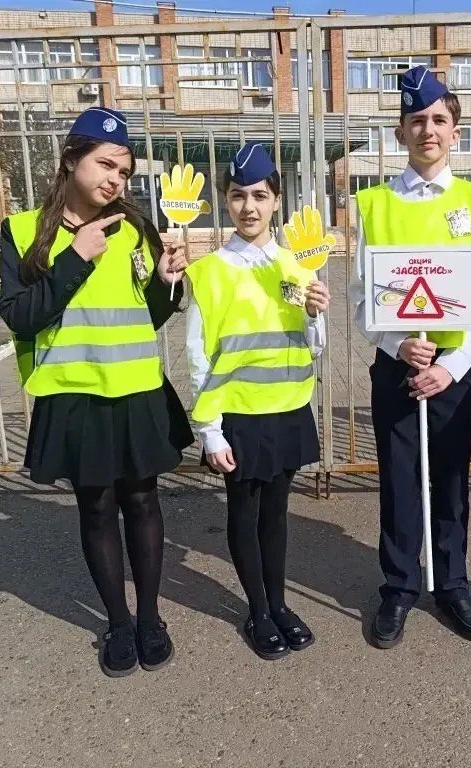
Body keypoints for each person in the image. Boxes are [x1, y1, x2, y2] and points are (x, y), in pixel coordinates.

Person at [0, 107, 193, 678]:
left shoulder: (134, 227)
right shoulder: (22, 231)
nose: (116, 179)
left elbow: (148, 315)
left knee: (144, 502)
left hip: (136, 390)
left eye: (124, 171)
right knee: (97, 508)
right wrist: (75, 258)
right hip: (74, 393)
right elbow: (20, 316)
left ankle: (151, 618)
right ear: (70, 160)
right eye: (106, 165)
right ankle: (118, 623)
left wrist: (168, 284)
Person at [349, 66, 471, 649]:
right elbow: (362, 298)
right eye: (417, 121)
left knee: (452, 479)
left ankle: (452, 583)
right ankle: (399, 586)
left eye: (438, 120)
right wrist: (398, 345)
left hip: (455, 370)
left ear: (455, 132)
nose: (428, 130)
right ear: (400, 133)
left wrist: (449, 367)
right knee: (400, 479)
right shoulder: (377, 205)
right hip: (398, 367)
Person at [182, 141, 330, 660]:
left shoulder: (295, 266)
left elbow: (313, 347)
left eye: (260, 196)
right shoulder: (209, 272)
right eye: (239, 195)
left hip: (287, 410)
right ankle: (258, 611)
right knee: (244, 513)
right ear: (226, 200)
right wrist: (210, 431)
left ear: (276, 201)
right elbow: (198, 357)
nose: (249, 207)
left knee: (278, 514)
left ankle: (280, 604)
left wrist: (315, 314)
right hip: (238, 416)